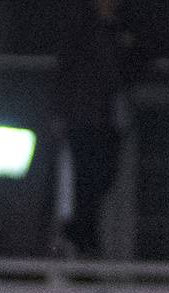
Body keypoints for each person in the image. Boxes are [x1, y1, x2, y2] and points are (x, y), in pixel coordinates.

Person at [51, 0, 137, 257]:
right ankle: (82, 239)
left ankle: (80, 234)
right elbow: (66, 70)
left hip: (108, 118)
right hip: (85, 116)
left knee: (104, 177)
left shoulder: (121, 27)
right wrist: (60, 113)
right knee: (86, 181)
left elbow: (127, 66)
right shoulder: (82, 27)